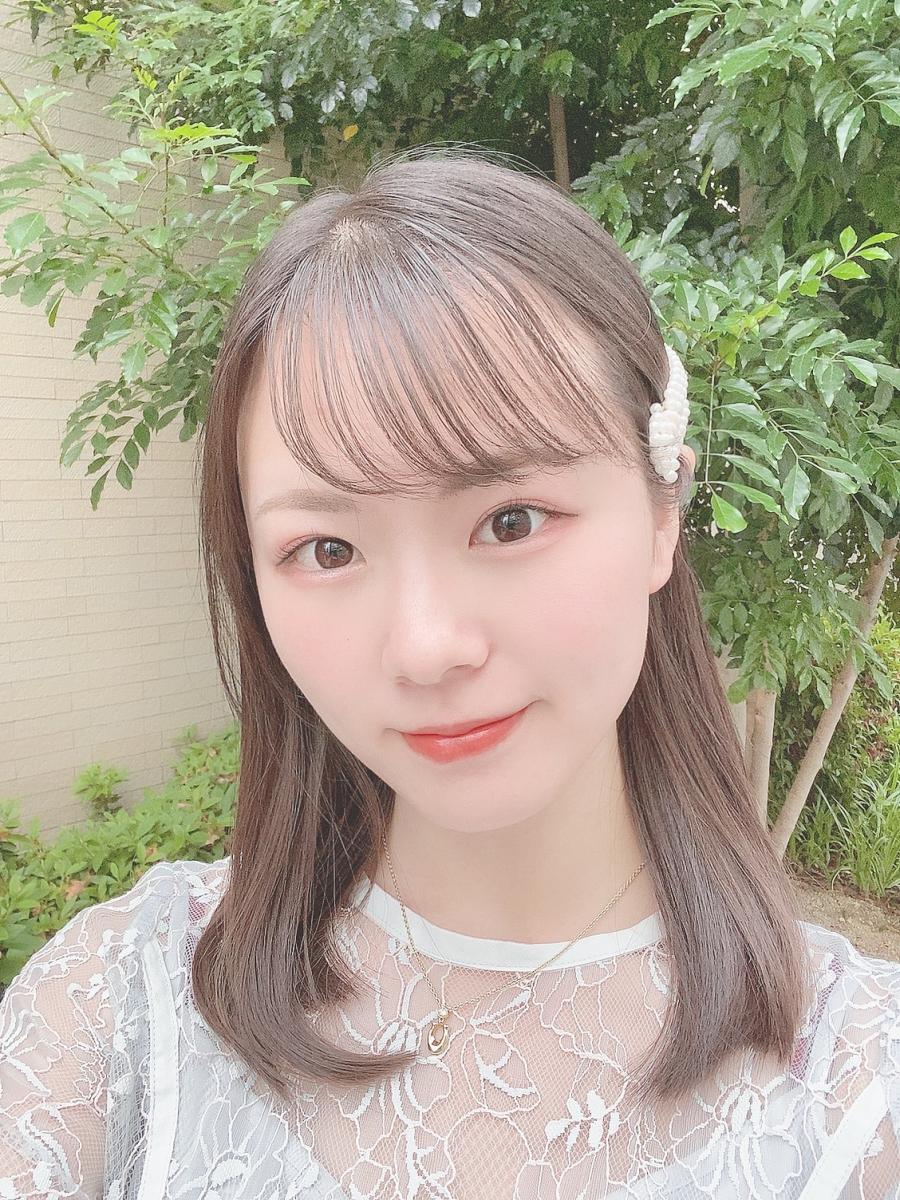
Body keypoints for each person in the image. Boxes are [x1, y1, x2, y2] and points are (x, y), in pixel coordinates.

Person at [1, 144, 897, 1200]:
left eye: (511, 521)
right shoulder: (120, 1009)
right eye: (326, 549)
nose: (426, 647)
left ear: (663, 514)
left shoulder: (856, 1090)